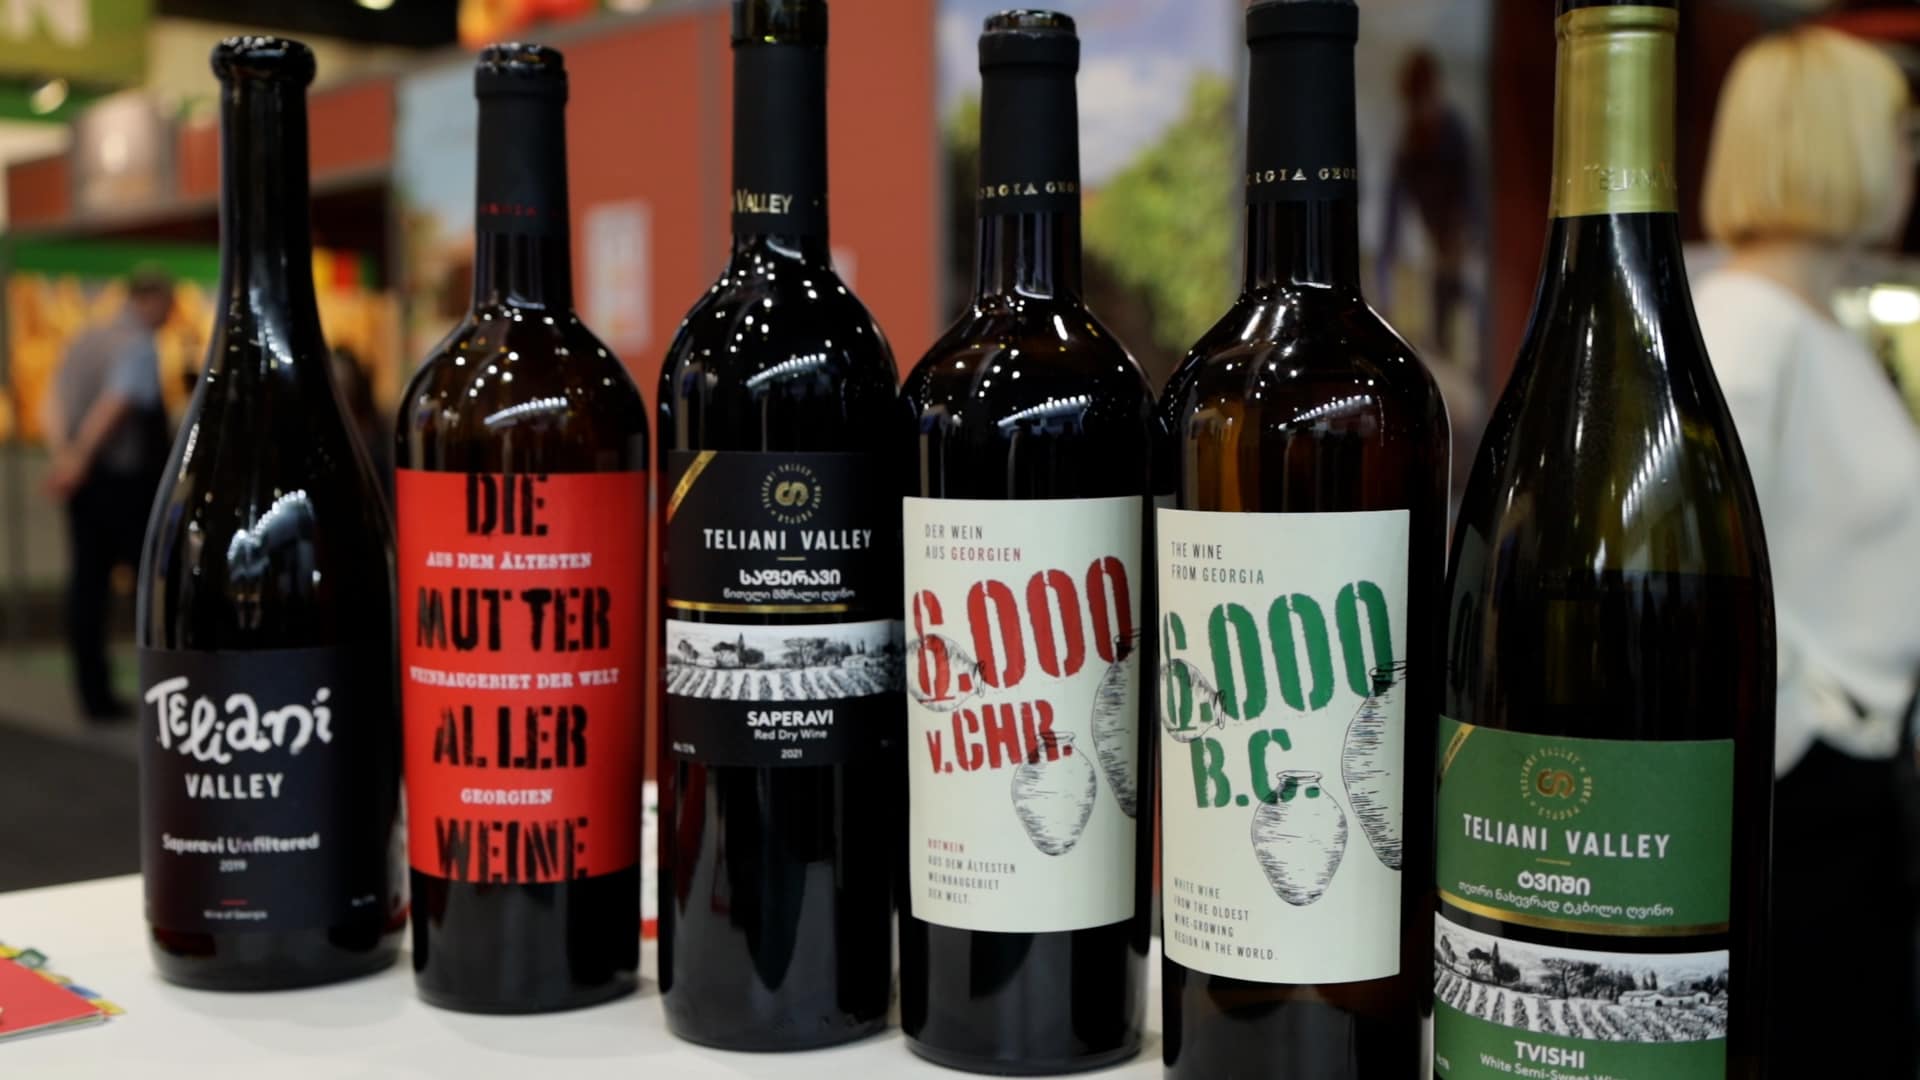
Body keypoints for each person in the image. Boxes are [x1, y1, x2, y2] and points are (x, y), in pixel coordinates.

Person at [1694, 27, 1920, 1074]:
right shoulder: (1746, 326)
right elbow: (1697, 569)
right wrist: (1798, 732)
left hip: (1847, 789)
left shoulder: (1817, 327)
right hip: (1799, 799)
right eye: (1900, 134)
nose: (1909, 160)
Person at [42, 270, 175, 722]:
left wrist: (64, 456)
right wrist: (79, 457)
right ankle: (166, 690)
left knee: (88, 586)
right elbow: (116, 404)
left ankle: (94, 693)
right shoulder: (136, 344)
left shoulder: (86, 338)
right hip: (123, 482)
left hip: (88, 481)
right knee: (150, 587)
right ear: (152, 299)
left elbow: (52, 401)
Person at [1377, 47, 1479, 362]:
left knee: (1471, 329)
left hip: (1465, 250)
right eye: (1413, 103)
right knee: (1441, 333)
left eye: (1423, 99)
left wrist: (1466, 241)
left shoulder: (1455, 134)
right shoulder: (1409, 145)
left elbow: (1474, 200)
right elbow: (1391, 221)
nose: (1420, 110)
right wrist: (1385, 288)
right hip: (1442, 251)